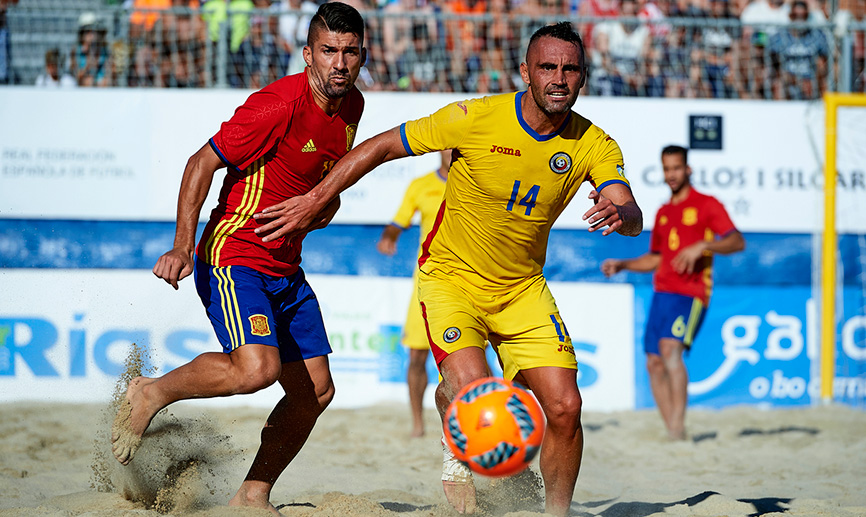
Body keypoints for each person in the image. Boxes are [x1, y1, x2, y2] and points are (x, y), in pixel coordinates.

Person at [249, 21, 643, 516]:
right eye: (548, 67)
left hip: (522, 289)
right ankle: (455, 438)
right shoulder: (475, 117)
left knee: (566, 408)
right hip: (451, 280)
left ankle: (555, 513)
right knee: (477, 395)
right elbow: (382, 146)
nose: (559, 79)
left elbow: (628, 209)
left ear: (583, 76)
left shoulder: (595, 143)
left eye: (570, 69)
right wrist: (315, 199)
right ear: (526, 72)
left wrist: (624, 214)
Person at [110, 3, 366, 513]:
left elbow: (317, 184)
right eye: (328, 51)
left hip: (284, 267)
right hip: (235, 253)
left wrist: (323, 207)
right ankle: (152, 392)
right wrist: (182, 245)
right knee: (256, 370)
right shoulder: (277, 104)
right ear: (308, 54)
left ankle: (252, 493)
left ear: (362, 55)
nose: (339, 63)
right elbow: (200, 162)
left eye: (350, 52)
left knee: (316, 392)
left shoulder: (352, 105)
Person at [601, 145, 745, 441]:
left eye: (677, 168)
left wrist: (703, 246)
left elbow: (737, 241)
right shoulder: (664, 212)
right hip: (662, 293)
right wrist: (624, 264)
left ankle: (678, 428)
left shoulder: (707, 204)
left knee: (669, 350)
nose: (671, 174)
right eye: (667, 168)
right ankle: (673, 433)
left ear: (688, 169)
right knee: (653, 362)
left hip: (691, 293)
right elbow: (657, 259)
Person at [376, 149, 450, 438]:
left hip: (467, 281)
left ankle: (474, 424)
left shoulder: (475, 183)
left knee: (470, 359)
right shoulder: (421, 185)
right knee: (417, 356)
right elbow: (398, 222)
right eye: (447, 146)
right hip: (427, 282)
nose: (452, 151)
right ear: (439, 149)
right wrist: (388, 237)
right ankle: (418, 424)